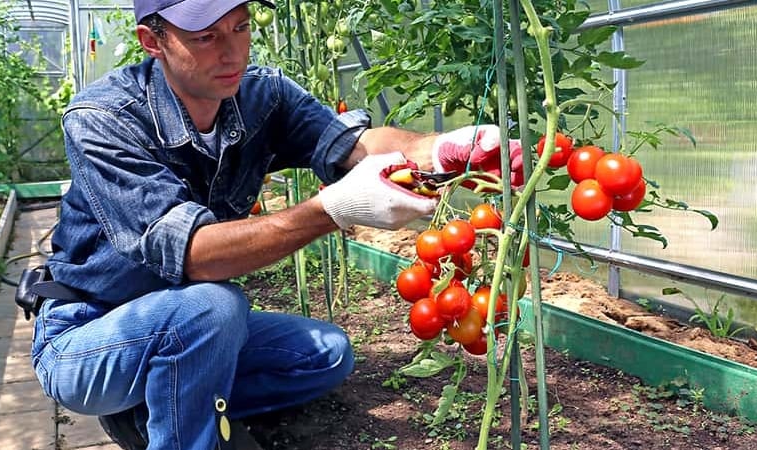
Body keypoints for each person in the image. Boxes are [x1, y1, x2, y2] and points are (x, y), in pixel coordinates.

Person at [28, 0, 524, 449]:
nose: (231, 52)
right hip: (88, 333)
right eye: (206, 36)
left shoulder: (261, 96)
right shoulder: (104, 118)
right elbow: (195, 255)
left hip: (185, 325)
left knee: (325, 355)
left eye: (240, 27)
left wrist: (437, 149)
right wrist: (329, 210)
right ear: (152, 41)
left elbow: (353, 144)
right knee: (213, 304)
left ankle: (151, 410)